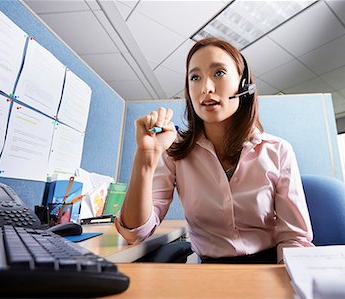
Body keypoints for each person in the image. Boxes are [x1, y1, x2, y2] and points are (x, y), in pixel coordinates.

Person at [115, 37, 314, 264]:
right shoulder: (176, 152)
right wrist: (146, 157)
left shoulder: (278, 151)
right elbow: (134, 232)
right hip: (211, 271)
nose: (206, 88)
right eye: (195, 77)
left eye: (219, 73)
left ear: (244, 83)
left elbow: (295, 239)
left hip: (270, 266)